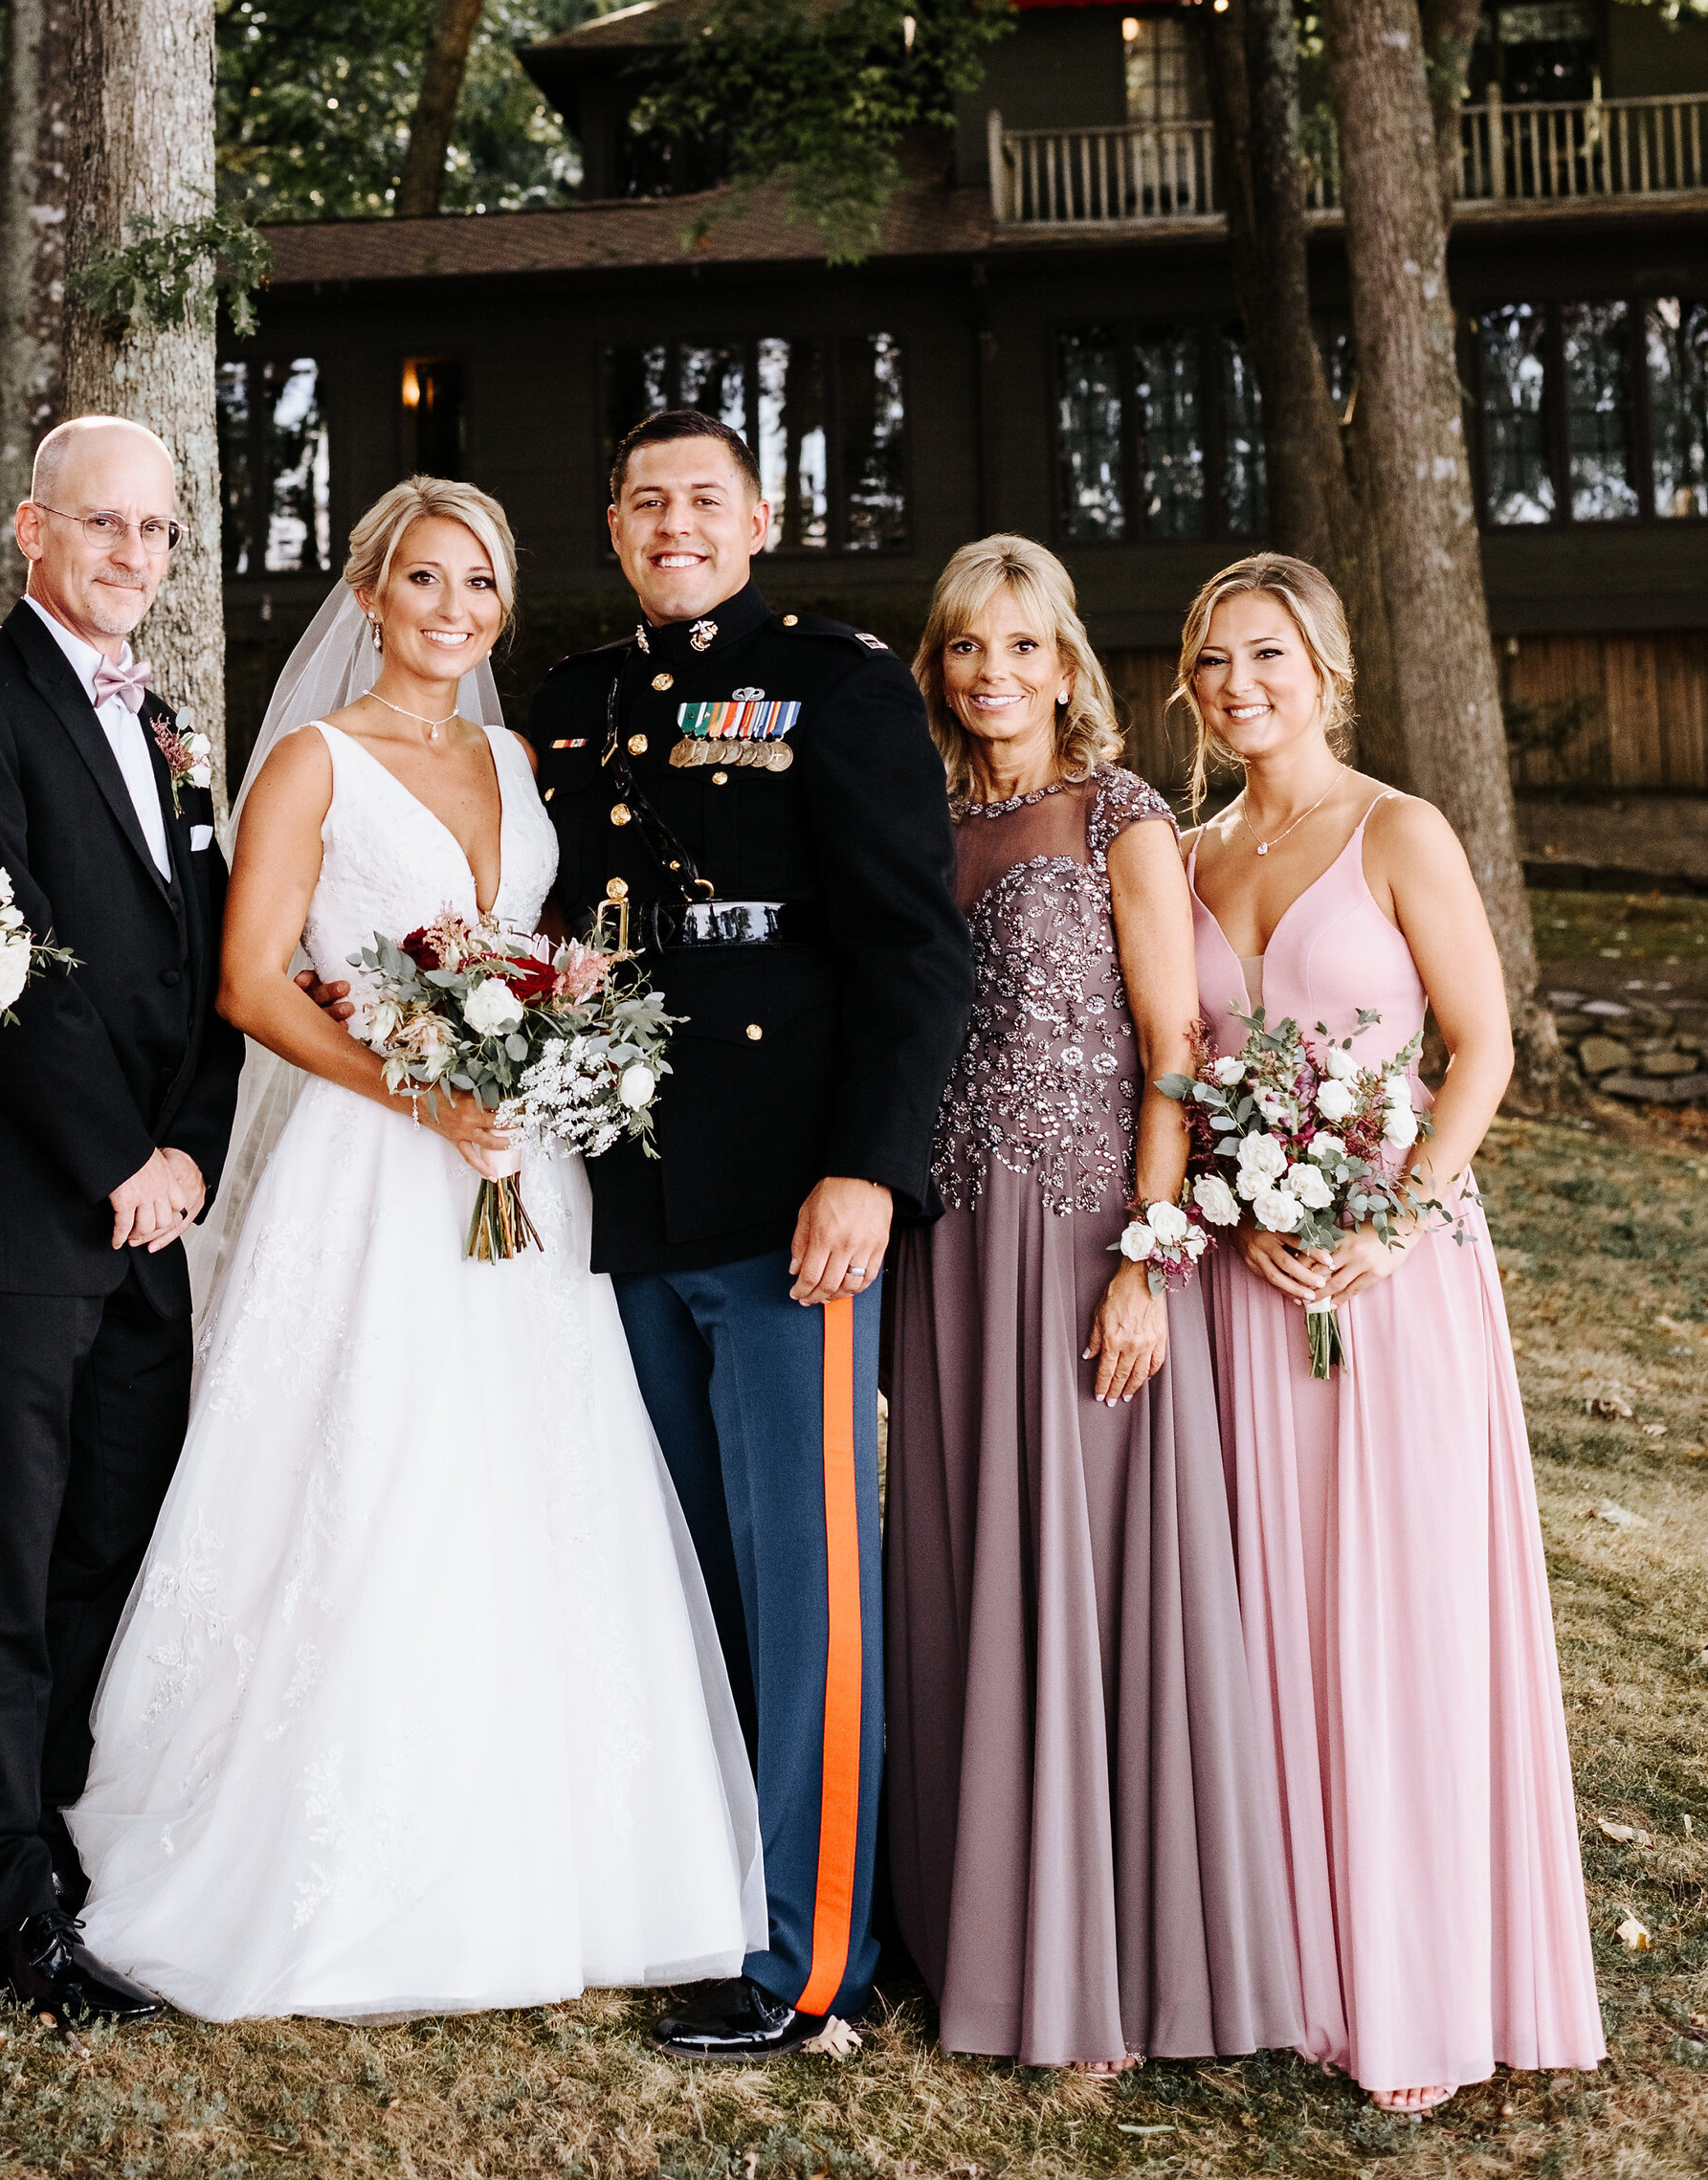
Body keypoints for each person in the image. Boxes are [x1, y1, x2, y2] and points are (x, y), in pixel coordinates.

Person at [62, 476, 764, 2021]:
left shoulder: (522, 760)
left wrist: (538, 1061)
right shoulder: (312, 761)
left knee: (533, 1469)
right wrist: (423, 1089)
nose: (455, 610)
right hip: (373, 1169)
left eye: (483, 586)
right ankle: (315, 1830)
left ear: (505, 608)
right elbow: (254, 985)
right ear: (371, 592)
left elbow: (554, 953)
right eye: (426, 580)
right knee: (365, 1466)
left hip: (520, 1172)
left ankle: (554, 1845)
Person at [531, 408, 973, 2059]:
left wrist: (868, 1169)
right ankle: (716, 1898)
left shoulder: (837, 684)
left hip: (795, 1206)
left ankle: (813, 1960)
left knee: (808, 1591)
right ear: (616, 522)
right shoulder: (574, 702)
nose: (674, 522)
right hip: (630, 1197)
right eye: (646, 499)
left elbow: (910, 954)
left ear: (760, 515)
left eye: (703, 497)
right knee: (689, 1579)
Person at [1179, 551, 1604, 2119]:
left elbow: (1481, 1045)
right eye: (1216, 661)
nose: (1241, 684)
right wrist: (1232, 1203)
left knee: (1402, 1609)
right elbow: (1184, 1061)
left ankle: (1423, 1974)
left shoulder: (1398, 828)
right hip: (1251, 1272)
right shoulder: (1194, 845)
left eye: (1269, 655)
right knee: (1274, 1612)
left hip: (1395, 1273)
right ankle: (1292, 1957)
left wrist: (1399, 1215)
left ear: (1331, 668)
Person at [885, 537, 1302, 2073]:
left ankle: (1104, 1964)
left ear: (1066, 662)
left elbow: (1173, 1041)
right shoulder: (926, 820)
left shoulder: (1120, 815)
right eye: (964, 650)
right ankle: (971, 1932)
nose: (991, 674)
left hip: (1080, 1249)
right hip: (948, 1246)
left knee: (1085, 1575)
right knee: (963, 1563)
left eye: (1019, 647)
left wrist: (1148, 1252)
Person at [0, 415, 239, 2030]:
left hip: (151, 1217)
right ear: (32, 530)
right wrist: (119, 1156)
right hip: (19, 1216)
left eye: (155, 531)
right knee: (1, 1556)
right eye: (102, 525)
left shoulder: (163, 720)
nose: (132, 556)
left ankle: (62, 1837)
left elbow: (209, 963)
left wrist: (193, 1150)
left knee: (112, 1531)